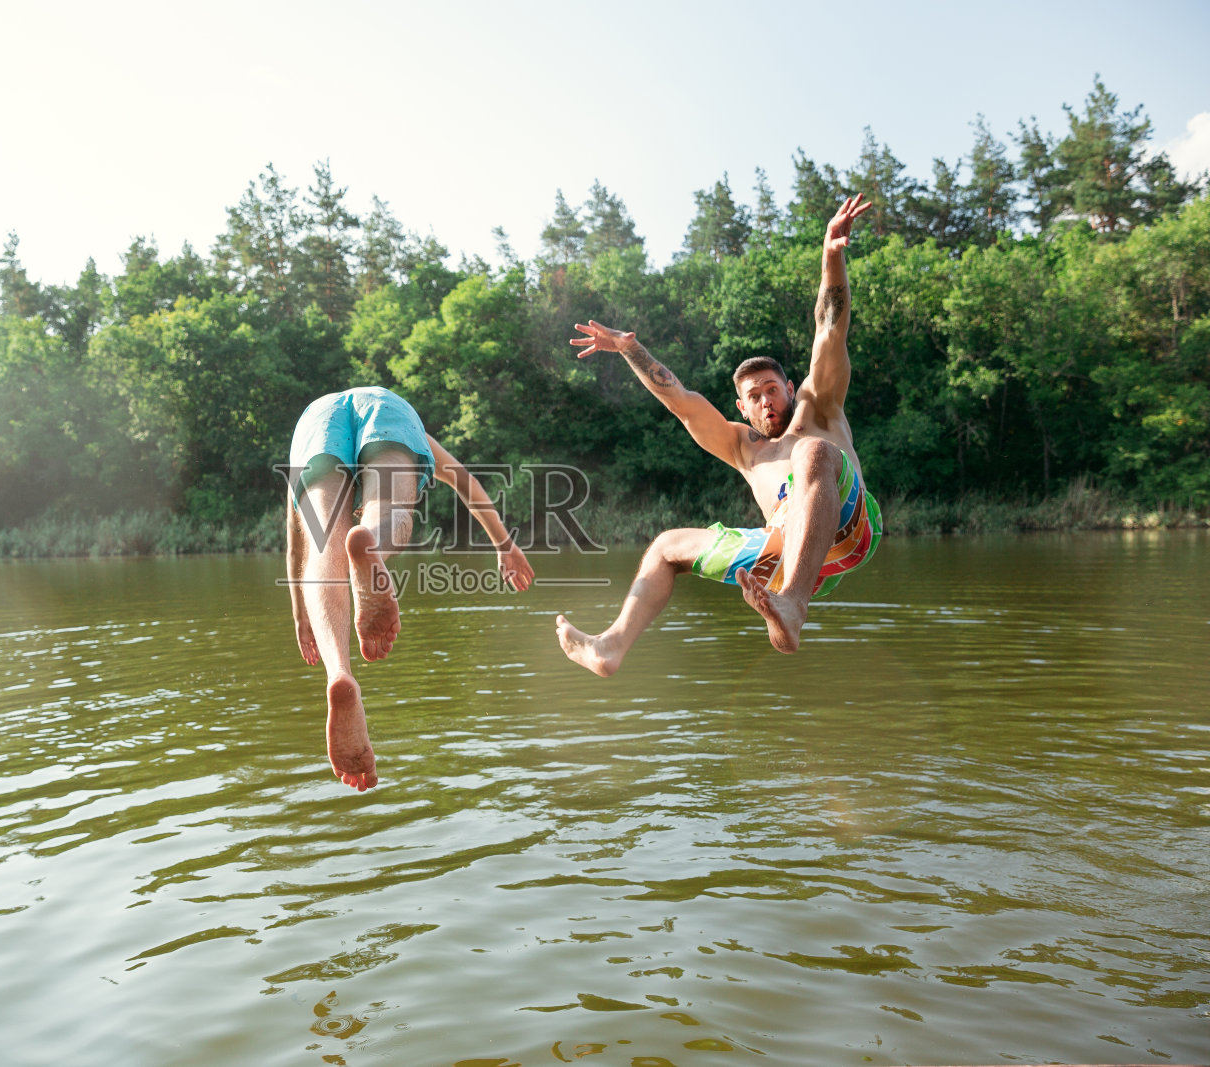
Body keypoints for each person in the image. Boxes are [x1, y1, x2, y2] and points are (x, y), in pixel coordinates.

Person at [556, 195, 882, 675]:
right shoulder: (745, 448)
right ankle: (610, 648)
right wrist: (631, 350)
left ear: (791, 388)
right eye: (755, 396)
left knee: (813, 452)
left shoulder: (819, 407)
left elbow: (829, 329)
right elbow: (681, 402)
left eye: (773, 389)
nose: (766, 400)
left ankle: (791, 606)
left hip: (850, 530)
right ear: (742, 407)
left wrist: (831, 259)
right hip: (786, 551)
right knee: (667, 546)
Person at [285, 386, 535, 791]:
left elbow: (296, 543)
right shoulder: (399, 416)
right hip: (386, 406)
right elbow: (464, 481)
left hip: (316, 421)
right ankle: (372, 547)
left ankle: (339, 673)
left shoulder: (315, 420)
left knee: (323, 544)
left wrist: (301, 612)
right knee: (389, 513)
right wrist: (504, 544)